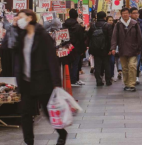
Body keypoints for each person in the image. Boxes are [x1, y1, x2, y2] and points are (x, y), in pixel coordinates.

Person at [3, 9, 67, 145]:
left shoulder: (42, 35)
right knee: (25, 113)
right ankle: (29, 141)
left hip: (42, 81)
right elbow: (6, 46)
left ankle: (62, 133)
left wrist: (56, 82)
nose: (17, 19)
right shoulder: (20, 35)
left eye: (20, 17)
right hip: (25, 81)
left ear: (30, 18)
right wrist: (13, 28)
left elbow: (51, 59)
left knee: (48, 112)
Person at [111, 7, 142, 92]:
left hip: (133, 49)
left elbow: (139, 37)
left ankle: (132, 84)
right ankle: (126, 84)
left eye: (126, 13)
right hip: (122, 49)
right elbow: (114, 37)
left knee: (132, 66)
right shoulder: (118, 24)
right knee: (124, 68)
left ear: (129, 14)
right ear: (121, 14)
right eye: (123, 13)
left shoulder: (134, 24)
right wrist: (113, 48)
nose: (125, 15)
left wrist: (139, 47)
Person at [88, 11, 113, 86]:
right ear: (105, 17)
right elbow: (110, 38)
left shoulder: (93, 25)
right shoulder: (107, 25)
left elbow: (89, 36)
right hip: (105, 49)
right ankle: (108, 81)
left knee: (97, 65)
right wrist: (110, 49)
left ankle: (98, 81)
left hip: (95, 49)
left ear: (97, 17)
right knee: (106, 65)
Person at [63, 9, 85, 87]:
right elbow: (81, 39)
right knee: (75, 64)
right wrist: (83, 50)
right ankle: (74, 80)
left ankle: (68, 80)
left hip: (66, 47)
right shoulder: (78, 26)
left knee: (67, 64)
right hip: (76, 48)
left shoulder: (64, 25)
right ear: (76, 16)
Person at [106, 15, 116, 81]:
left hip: (113, 47)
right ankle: (108, 75)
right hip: (106, 48)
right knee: (107, 62)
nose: (111, 21)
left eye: (112, 20)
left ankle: (111, 75)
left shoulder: (115, 28)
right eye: (109, 20)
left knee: (112, 61)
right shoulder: (105, 27)